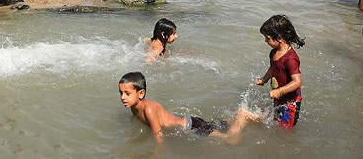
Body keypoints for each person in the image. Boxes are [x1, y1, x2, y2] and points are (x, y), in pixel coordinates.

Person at [119, 72, 258, 144]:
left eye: (127, 93)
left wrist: (158, 154)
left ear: (141, 93)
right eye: (121, 93)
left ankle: (242, 115)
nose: (123, 97)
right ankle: (236, 116)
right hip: (191, 122)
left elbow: (158, 136)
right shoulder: (133, 105)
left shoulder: (149, 109)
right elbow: (135, 118)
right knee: (219, 125)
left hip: (191, 127)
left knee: (231, 140)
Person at [255, 15, 305, 129]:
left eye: (267, 38)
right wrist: (264, 79)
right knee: (276, 122)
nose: (265, 41)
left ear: (279, 38)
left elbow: (297, 82)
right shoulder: (273, 52)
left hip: (291, 102)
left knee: (285, 130)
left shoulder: (291, 59)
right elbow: (273, 68)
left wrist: (280, 91)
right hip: (280, 97)